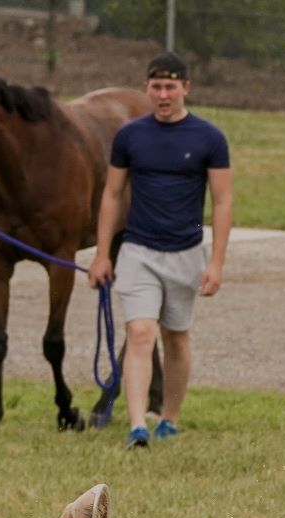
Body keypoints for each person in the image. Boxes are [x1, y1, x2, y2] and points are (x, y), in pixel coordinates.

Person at [87, 51, 233, 448]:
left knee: (176, 337)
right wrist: (102, 254)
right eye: (156, 87)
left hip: (186, 253)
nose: (163, 94)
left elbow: (221, 202)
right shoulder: (130, 137)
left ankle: (168, 417)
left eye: (171, 86)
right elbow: (113, 195)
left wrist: (216, 263)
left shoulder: (209, 138)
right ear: (147, 89)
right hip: (138, 251)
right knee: (140, 332)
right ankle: (137, 425)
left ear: (185, 88)